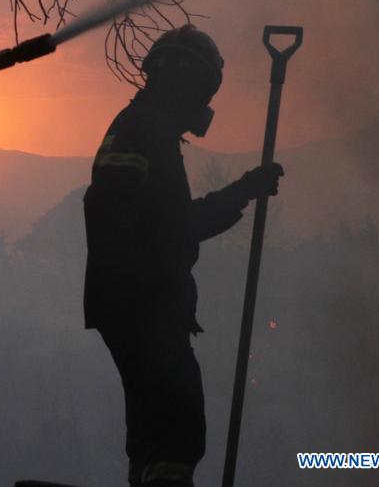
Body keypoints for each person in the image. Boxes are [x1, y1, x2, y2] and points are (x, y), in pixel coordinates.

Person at [82, 25, 283, 487]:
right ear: (188, 84)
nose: (204, 105)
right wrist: (240, 194)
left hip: (131, 304)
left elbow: (168, 225)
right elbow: (147, 224)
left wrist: (242, 192)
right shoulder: (145, 130)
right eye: (203, 90)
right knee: (178, 429)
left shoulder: (145, 128)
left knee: (154, 428)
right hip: (144, 305)